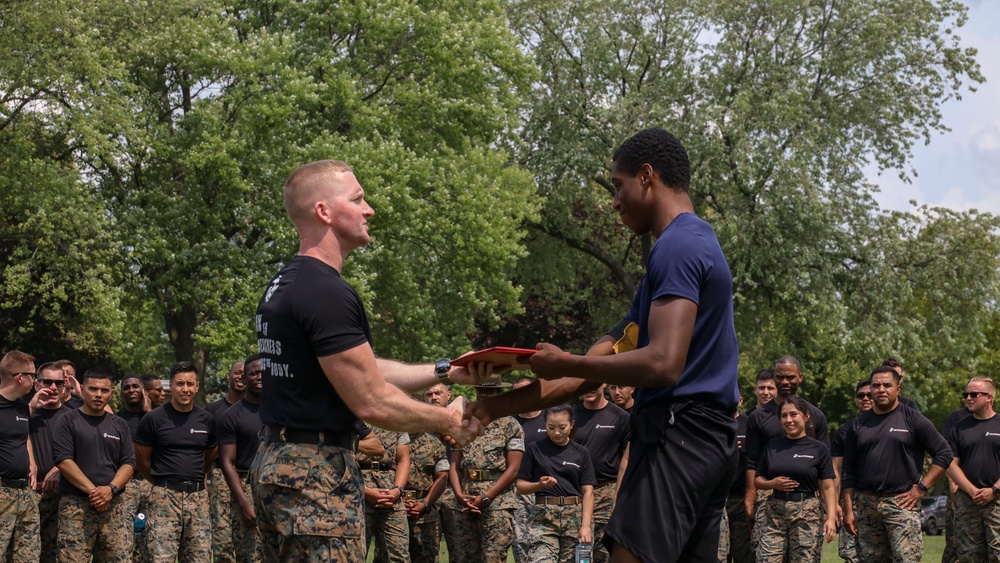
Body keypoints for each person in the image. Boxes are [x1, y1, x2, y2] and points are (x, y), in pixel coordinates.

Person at [467, 128, 741, 562]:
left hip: (678, 435)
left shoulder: (677, 246)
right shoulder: (688, 246)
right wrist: (491, 407)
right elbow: (589, 369)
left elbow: (663, 364)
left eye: (619, 185)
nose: (614, 201)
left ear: (647, 176)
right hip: (708, 441)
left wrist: (565, 361)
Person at [251, 159, 486, 562]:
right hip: (314, 474)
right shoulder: (326, 291)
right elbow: (370, 401)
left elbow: (362, 369)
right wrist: (445, 420)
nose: (369, 209)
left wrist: (446, 370)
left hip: (279, 463)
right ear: (324, 211)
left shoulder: (287, 283)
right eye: (357, 199)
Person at [841, 366, 954, 561]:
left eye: (887, 385)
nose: (881, 390)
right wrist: (849, 511)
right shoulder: (857, 425)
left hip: (901, 504)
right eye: (876, 386)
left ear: (898, 389)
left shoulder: (913, 419)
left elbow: (944, 454)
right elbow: (848, 471)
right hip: (867, 505)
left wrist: (921, 488)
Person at [134, 361, 217, 563]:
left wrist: (193, 476)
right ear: (170, 386)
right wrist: (163, 483)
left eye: (190, 384)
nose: (185, 389)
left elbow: (210, 454)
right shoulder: (153, 419)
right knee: (160, 558)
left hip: (197, 498)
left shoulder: (207, 420)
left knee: (199, 558)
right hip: (164, 497)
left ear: (197, 387)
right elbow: (142, 460)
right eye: (180, 384)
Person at [744, 356, 829, 553]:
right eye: (780, 377)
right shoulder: (758, 416)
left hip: (807, 496)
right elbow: (752, 462)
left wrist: (827, 504)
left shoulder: (815, 415)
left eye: (790, 377)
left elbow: (825, 467)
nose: (785, 382)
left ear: (800, 377)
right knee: (766, 554)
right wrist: (750, 498)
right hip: (768, 494)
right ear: (774, 378)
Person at [51, 367, 136, 562]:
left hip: (113, 506)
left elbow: (129, 462)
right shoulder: (68, 420)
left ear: (111, 393)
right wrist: (95, 493)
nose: (98, 394)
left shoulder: (119, 424)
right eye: (92, 389)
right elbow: (63, 460)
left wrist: (111, 489)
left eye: (104, 390)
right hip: (76, 507)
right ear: (82, 389)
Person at [753, 397, 837, 562]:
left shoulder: (819, 448)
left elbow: (828, 487)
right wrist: (772, 483)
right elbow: (758, 479)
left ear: (806, 417)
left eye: (793, 414)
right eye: (784, 416)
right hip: (775, 514)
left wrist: (832, 518)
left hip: (807, 514)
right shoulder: (772, 446)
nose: (789, 420)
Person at [449, 381, 524, 562]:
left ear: (498, 393)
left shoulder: (510, 425)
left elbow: (513, 469)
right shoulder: (465, 423)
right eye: (481, 390)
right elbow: (454, 464)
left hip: (497, 503)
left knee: (493, 557)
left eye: (489, 391)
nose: (484, 394)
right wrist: (459, 494)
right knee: (466, 557)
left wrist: (486, 497)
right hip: (466, 501)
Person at [516, 403, 595, 561]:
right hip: (544, 518)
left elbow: (588, 492)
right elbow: (520, 487)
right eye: (551, 427)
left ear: (572, 424)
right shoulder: (534, 449)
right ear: (544, 424)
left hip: (575, 518)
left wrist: (585, 526)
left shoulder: (581, 453)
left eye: (562, 427)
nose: (557, 432)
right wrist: (539, 485)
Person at [944, 376, 1000, 562]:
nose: (968, 397)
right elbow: (951, 464)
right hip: (967, 502)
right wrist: (972, 490)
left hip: (997, 501)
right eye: (966, 394)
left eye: (974, 394)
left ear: (989, 397)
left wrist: (994, 490)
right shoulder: (959, 428)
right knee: (969, 557)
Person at [572, 383, 630, 563]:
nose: (588, 388)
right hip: (576, 492)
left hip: (607, 491)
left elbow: (626, 461)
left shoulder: (620, 416)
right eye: (584, 383)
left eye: (593, 383)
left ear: (604, 383)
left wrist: (619, 497)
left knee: (604, 552)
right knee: (577, 551)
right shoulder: (571, 416)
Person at [217, 354, 264, 563]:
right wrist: (244, 504)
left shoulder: (283, 411)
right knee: (249, 556)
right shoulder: (232, 415)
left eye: (263, 372)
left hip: (278, 486)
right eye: (253, 373)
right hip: (247, 486)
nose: (259, 377)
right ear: (244, 379)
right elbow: (228, 463)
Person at [27, 362, 72, 563]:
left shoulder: (74, 417)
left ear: (65, 385)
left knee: (58, 555)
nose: (53, 388)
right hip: (31, 494)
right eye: (47, 382)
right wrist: (29, 407)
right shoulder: (24, 413)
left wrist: (60, 468)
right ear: (36, 384)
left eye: (59, 383)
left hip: (64, 495)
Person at [0, 350, 40, 562]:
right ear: (20, 377)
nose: (35, 381)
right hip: (2, 491)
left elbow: (23, 437)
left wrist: (32, 463)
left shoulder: (23, 406)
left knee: (28, 556)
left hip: (25, 493)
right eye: (33, 376)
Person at [204, 360, 245, 563]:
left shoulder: (261, 408)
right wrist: (203, 476)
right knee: (222, 536)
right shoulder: (213, 410)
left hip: (250, 474)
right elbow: (204, 447)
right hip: (220, 475)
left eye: (245, 373)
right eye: (237, 373)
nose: (241, 377)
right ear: (228, 376)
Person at [830, 380, 873, 563]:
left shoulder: (890, 424)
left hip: (878, 495)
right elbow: (836, 468)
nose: (865, 399)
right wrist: (836, 502)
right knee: (851, 553)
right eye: (860, 395)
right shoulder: (845, 430)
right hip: (852, 498)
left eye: (869, 395)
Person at [358, 426, 411, 562]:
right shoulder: (352, 416)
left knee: (399, 555)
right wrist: (366, 491)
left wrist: (397, 490)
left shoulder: (395, 422)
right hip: (357, 493)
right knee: (355, 554)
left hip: (391, 495)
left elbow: (403, 459)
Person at [403, 417, 449, 563]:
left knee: (427, 558)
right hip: (394, 510)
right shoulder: (390, 440)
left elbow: (442, 477)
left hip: (425, 514)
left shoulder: (434, 443)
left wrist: (425, 503)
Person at [116, 375, 150, 563]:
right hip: (125, 484)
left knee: (150, 540)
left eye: (135, 386)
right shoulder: (116, 420)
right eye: (127, 387)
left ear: (143, 390)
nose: (131, 390)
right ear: (122, 393)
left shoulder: (155, 417)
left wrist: (149, 411)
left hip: (151, 484)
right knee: (123, 540)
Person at [510, 376, 545, 563]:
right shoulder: (510, 423)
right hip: (518, 492)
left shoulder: (550, 420)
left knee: (544, 542)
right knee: (520, 542)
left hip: (547, 491)